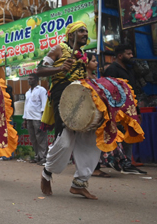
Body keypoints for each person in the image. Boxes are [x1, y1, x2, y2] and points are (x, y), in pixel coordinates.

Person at [37, 21, 101, 200]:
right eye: (81, 31)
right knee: (65, 140)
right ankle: (47, 172)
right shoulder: (59, 48)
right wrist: (59, 67)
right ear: (70, 35)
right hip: (63, 94)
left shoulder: (84, 55)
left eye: (86, 31)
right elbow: (40, 69)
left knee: (90, 138)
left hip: (81, 94)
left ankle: (79, 183)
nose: (84, 33)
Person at [102, 44, 146, 175]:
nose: (131, 56)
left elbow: (132, 93)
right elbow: (107, 91)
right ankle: (120, 162)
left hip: (130, 109)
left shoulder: (129, 70)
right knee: (118, 135)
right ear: (120, 56)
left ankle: (127, 163)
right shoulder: (112, 70)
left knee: (130, 133)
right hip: (117, 110)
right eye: (129, 54)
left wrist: (137, 111)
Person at [22, 74, 48, 166]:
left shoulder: (41, 90)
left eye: (31, 79)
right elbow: (26, 106)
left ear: (36, 80)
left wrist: (43, 119)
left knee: (41, 138)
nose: (29, 80)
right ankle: (37, 157)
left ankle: (44, 158)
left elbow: (44, 105)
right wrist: (25, 119)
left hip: (38, 118)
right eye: (28, 79)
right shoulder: (28, 92)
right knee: (33, 139)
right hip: (29, 118)